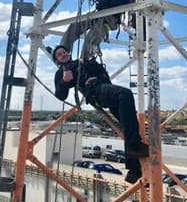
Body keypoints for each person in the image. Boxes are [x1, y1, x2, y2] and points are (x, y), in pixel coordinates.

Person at [52, 44, 148, 183]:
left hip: (103, 88)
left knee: (129, 124)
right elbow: (60, 95)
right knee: (124, 93)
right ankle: (134, 146)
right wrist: (64, 82)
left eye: (64, 52)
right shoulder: (62, 72)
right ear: (57, 61)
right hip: (96, 92)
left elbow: (103, 76)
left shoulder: (82, 62)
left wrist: (94, 66)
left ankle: (135, 171)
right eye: (59, 55)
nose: (63, 55)